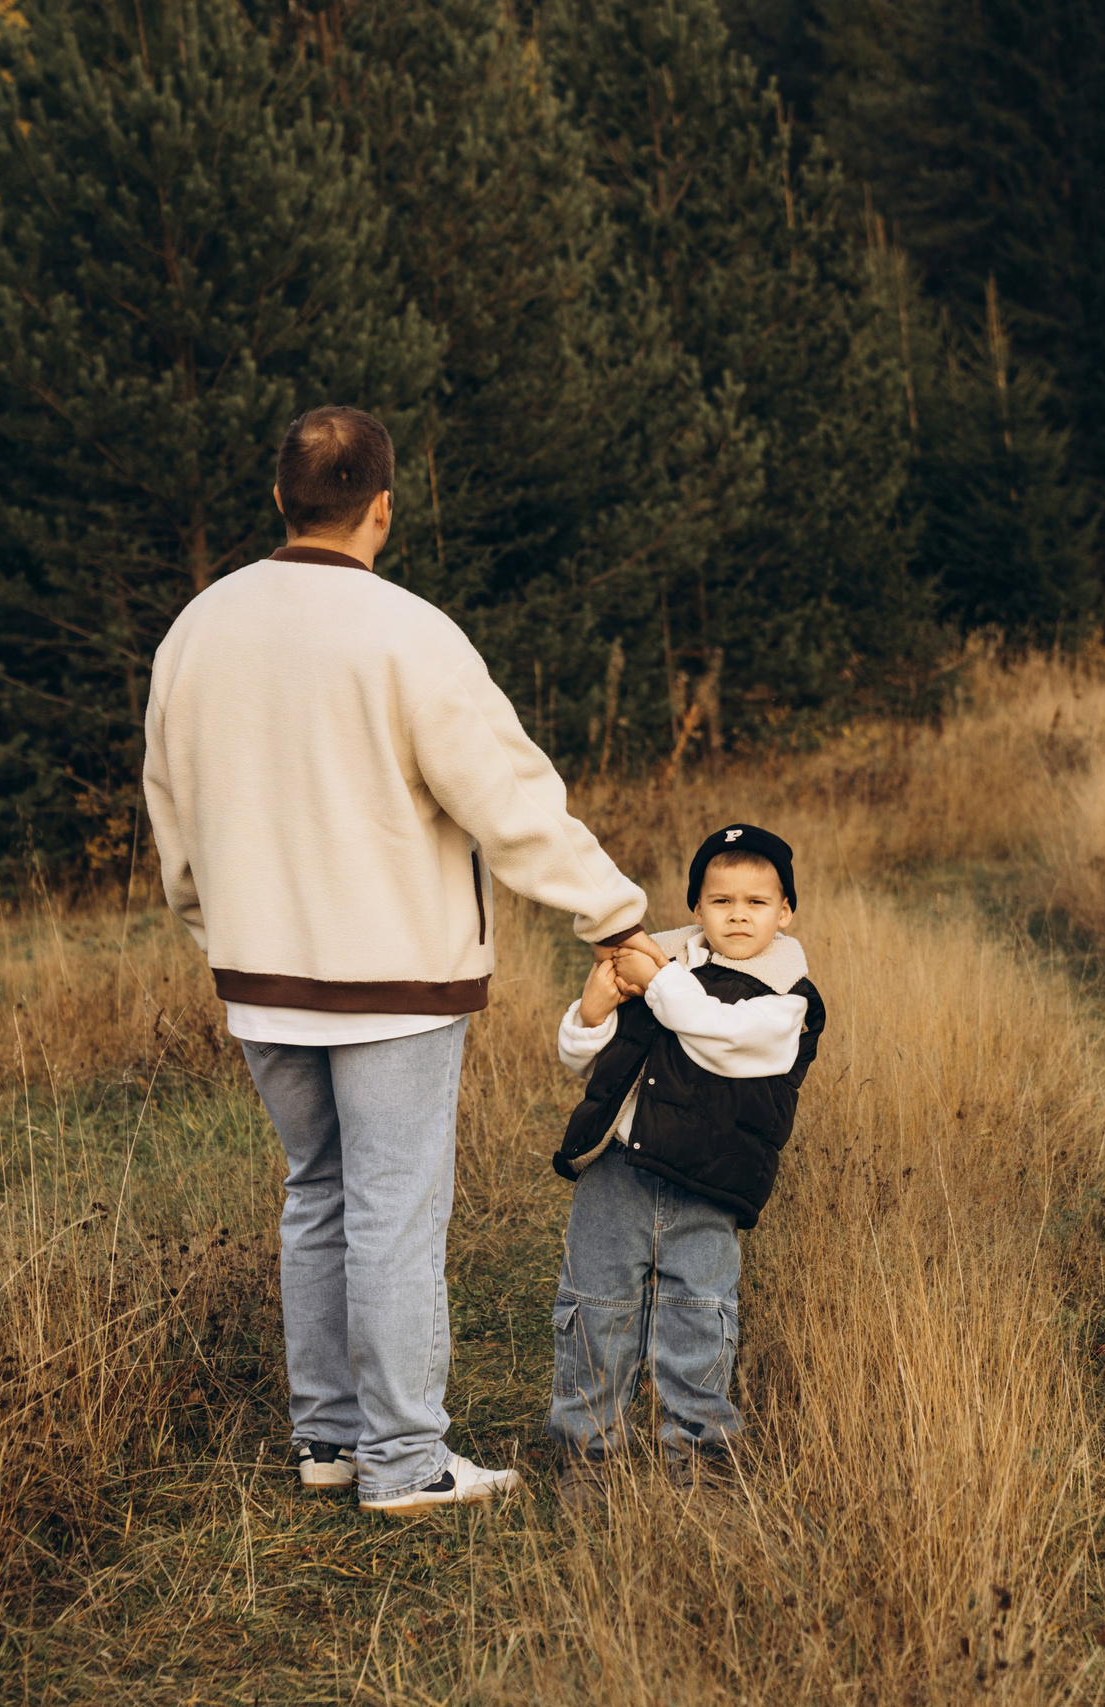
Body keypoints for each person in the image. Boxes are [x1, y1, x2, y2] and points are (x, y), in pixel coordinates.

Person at [143, 406, 660, 1516]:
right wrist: (613, 915)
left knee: (316, 1197)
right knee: (390, 1210)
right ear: (382, 507)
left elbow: (170, 811)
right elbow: (508, 802)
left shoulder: (196, 631)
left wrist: (214, 933)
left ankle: (329, 1442)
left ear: (282, 500)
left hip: (260, 975)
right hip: (392, 980)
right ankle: (404, 1462)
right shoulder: (410, 633)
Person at [549, 824, 826, 1511]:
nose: (738, 913)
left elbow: (720, 1036)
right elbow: (589, 1057)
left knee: (699, 1318)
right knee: (595, 1311)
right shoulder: (668, 965)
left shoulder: (787, 998)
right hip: (617, 1170)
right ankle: (587, 1455)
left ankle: (702, 1460)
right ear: (697, 907)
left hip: (709, 1183)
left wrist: (659, 980)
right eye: (721, 898)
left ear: (785, 911)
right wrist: (592, 1010)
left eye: (757, 901)